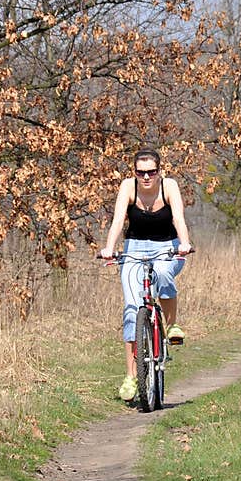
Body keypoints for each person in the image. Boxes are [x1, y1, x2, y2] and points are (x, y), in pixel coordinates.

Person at [101, 148, 193, 401]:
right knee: (132, 309)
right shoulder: (128, 187)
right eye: (141, 172)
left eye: (151, 171)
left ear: (159, 171)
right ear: (135, 173)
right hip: (134, 249)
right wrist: (109, 249)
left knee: (164, 273)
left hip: (167, 247)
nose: (146, 177)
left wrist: (184, 243)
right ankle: (131, 377)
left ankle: (172, 325)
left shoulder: (169, 186)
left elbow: (178, 218)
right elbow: (118, 220)